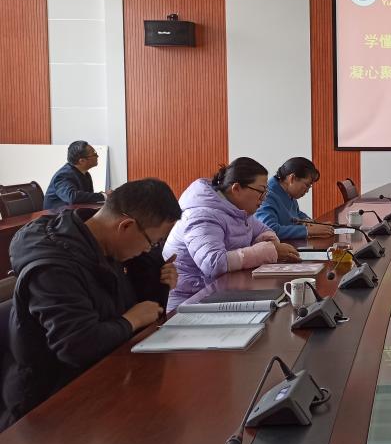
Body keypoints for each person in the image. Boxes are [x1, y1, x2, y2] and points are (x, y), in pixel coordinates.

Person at [2, 179, 181, 429]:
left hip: (102, 377)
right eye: (152, 242)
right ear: (126, 226)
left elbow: (140, 310)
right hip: (50, 405)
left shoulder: (103, 244)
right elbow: (76, 346)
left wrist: (158, 283)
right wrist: (131, 320)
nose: (148, 249)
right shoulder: (54, 268)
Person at [162, 158, 299, 310]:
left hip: (220, 294)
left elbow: (262, 230)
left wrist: (269, 242)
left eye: (266, 192)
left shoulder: (236, 210)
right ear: (236, 188)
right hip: (190, 302)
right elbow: (213, 263)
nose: (264, 198)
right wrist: (269, 251)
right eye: (261, 191)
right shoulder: (202, 215)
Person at [255, 157, 334, 240]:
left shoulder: (287, 191)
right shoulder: (266, 195)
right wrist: (308, 230)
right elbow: (270, 230)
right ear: (292, 178)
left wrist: (311, 222)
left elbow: (296, 214)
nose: (307, 191)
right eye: (307, 185)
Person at [41, 140, 107, 210]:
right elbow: (72, 197)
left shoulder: (86, 174)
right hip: (56, 215)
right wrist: (103, 196)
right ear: (82, 161)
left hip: (73, 212)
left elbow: (87, 199)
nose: (97, 156)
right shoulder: (63, 175)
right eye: (94, 154)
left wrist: (103, 196)